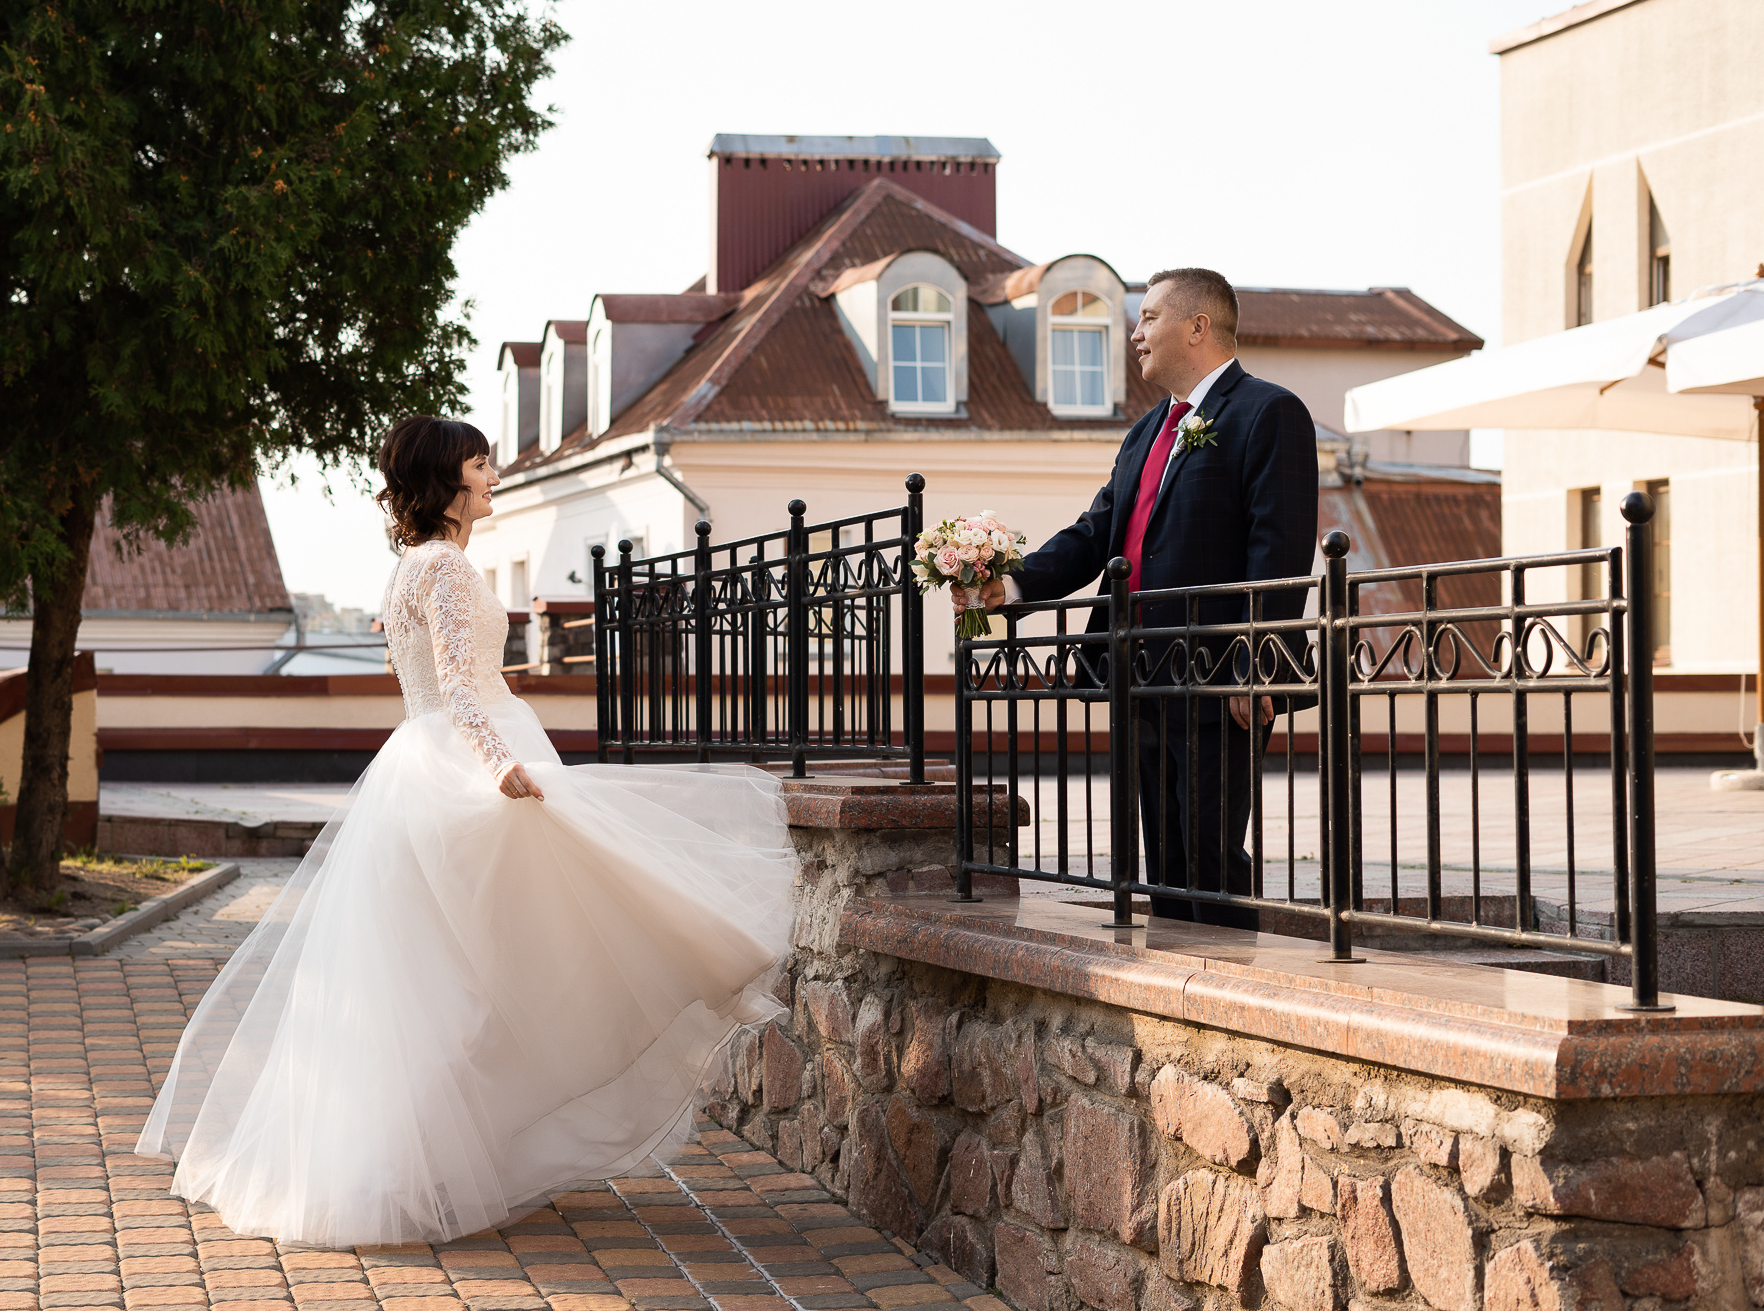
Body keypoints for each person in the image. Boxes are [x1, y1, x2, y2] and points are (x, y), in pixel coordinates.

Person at [136, 416, 794, 1247]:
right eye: (480, 462)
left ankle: (412, 1166)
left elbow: (408, 679)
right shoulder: (443, 566)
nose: (492, 474)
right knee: (502, 968)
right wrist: (498, 766)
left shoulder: (407, 566)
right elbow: (455, 685)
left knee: (443, 981)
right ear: (448, 477)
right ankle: (423, 1162)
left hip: (417, 767)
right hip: (461, 766)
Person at [955, 268, 1317, 929]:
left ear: (1199, 327)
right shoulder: (1145, 432)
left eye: (1149, 317)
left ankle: (1225, 989)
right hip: (1143, 677)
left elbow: (1281, 551)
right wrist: (1009, 584)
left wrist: (1256, 661)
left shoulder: (1268, 412)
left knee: (1211, 856)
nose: (1135, 331)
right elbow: (1098, 532)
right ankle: (1176, 976)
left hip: (1217, 678)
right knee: (1165, 862)